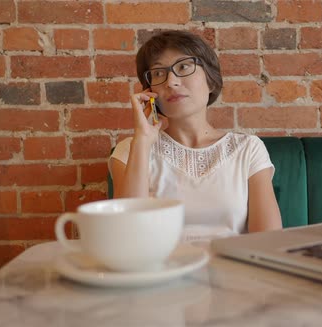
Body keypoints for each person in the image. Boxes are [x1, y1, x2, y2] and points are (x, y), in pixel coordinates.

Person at [108, 30, 282, 242]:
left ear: (211, 80)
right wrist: (143, 142)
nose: (171, 82)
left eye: (183, 67)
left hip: (234, 270)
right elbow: (126, 238)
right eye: (158, 73)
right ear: (149, 91)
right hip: (161, 272)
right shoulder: (130, 150)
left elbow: (269, 241)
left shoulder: (248, 149)